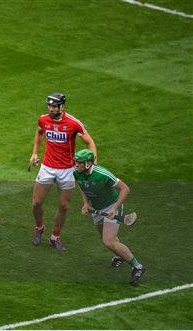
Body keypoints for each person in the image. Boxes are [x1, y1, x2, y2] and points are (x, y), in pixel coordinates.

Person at [29, 93, 97, 251]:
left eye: (54, 106)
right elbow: (40, 132)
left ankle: (55, 237)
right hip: (47, 167)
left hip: (67, 170)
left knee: (64, 206)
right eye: (49, 106)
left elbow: (89, 141)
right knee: (36, 203)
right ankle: (39, 228)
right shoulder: (44, 119)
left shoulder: (73, 123)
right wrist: (34, 153)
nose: (51, 109)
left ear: (62, 107)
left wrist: (92, 161)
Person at [73, 149, 145, 285]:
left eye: (79, 162)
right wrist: (85, 203)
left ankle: (137, 266)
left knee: (108, 241)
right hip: (96, 209)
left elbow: (125, 189)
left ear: (88, 164)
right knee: (105, 238)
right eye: (76, 161)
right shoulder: (77, 173)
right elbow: (82, 186)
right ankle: (120, 256)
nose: (76, 164)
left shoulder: (102, 174)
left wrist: (115, 208)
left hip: (111, 206)